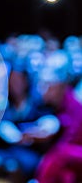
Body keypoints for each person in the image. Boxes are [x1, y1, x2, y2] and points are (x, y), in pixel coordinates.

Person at [35, 51, 82, 183]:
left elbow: (68, 144)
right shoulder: (46, 106)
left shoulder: (75, 108)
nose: (44, 90)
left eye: (49, 86)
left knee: (60, 154)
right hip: (61, 156)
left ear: (61, 86)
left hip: (74, 153)